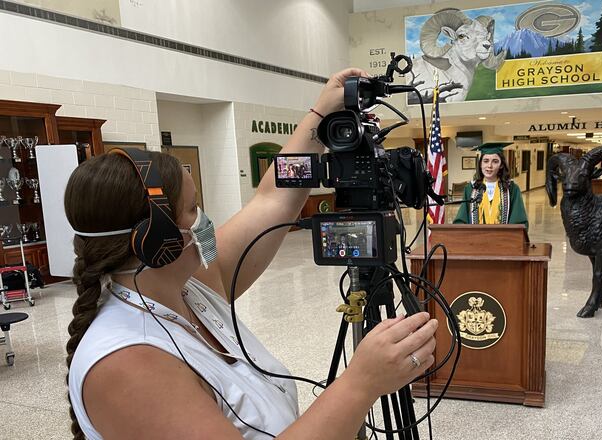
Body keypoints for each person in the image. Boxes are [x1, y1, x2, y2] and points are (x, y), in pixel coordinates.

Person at [64, 68, 438, 440]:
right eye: (194, 209)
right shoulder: (126, 363)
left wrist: (323, 112)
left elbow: (273, 197)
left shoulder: (187, 288)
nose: (205, 221)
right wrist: (361, 384)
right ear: (155, 239)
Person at [453, 143, 528, 227]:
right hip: (476, 238)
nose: (489, 166)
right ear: (480, 164)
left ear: (501, 165)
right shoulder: (471, 188)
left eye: (495, 161)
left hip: (502, 238)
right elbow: (462, 219)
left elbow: (518, 222)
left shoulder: (511, 189)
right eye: (485, 161)